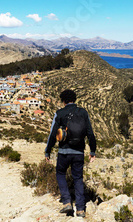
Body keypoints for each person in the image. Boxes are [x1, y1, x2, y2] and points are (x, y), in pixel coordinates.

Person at [45, 89, 96, 218]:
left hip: (63, 152)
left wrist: (48, 151)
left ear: (63, 101)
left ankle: (67, 201)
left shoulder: (60, 113)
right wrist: (92, 150)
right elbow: (90, 132)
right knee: (78, 178)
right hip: (79, 152)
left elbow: (52, 134)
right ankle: (80, 209)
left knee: (60, 173)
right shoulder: (83, 113)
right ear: (75, 99)